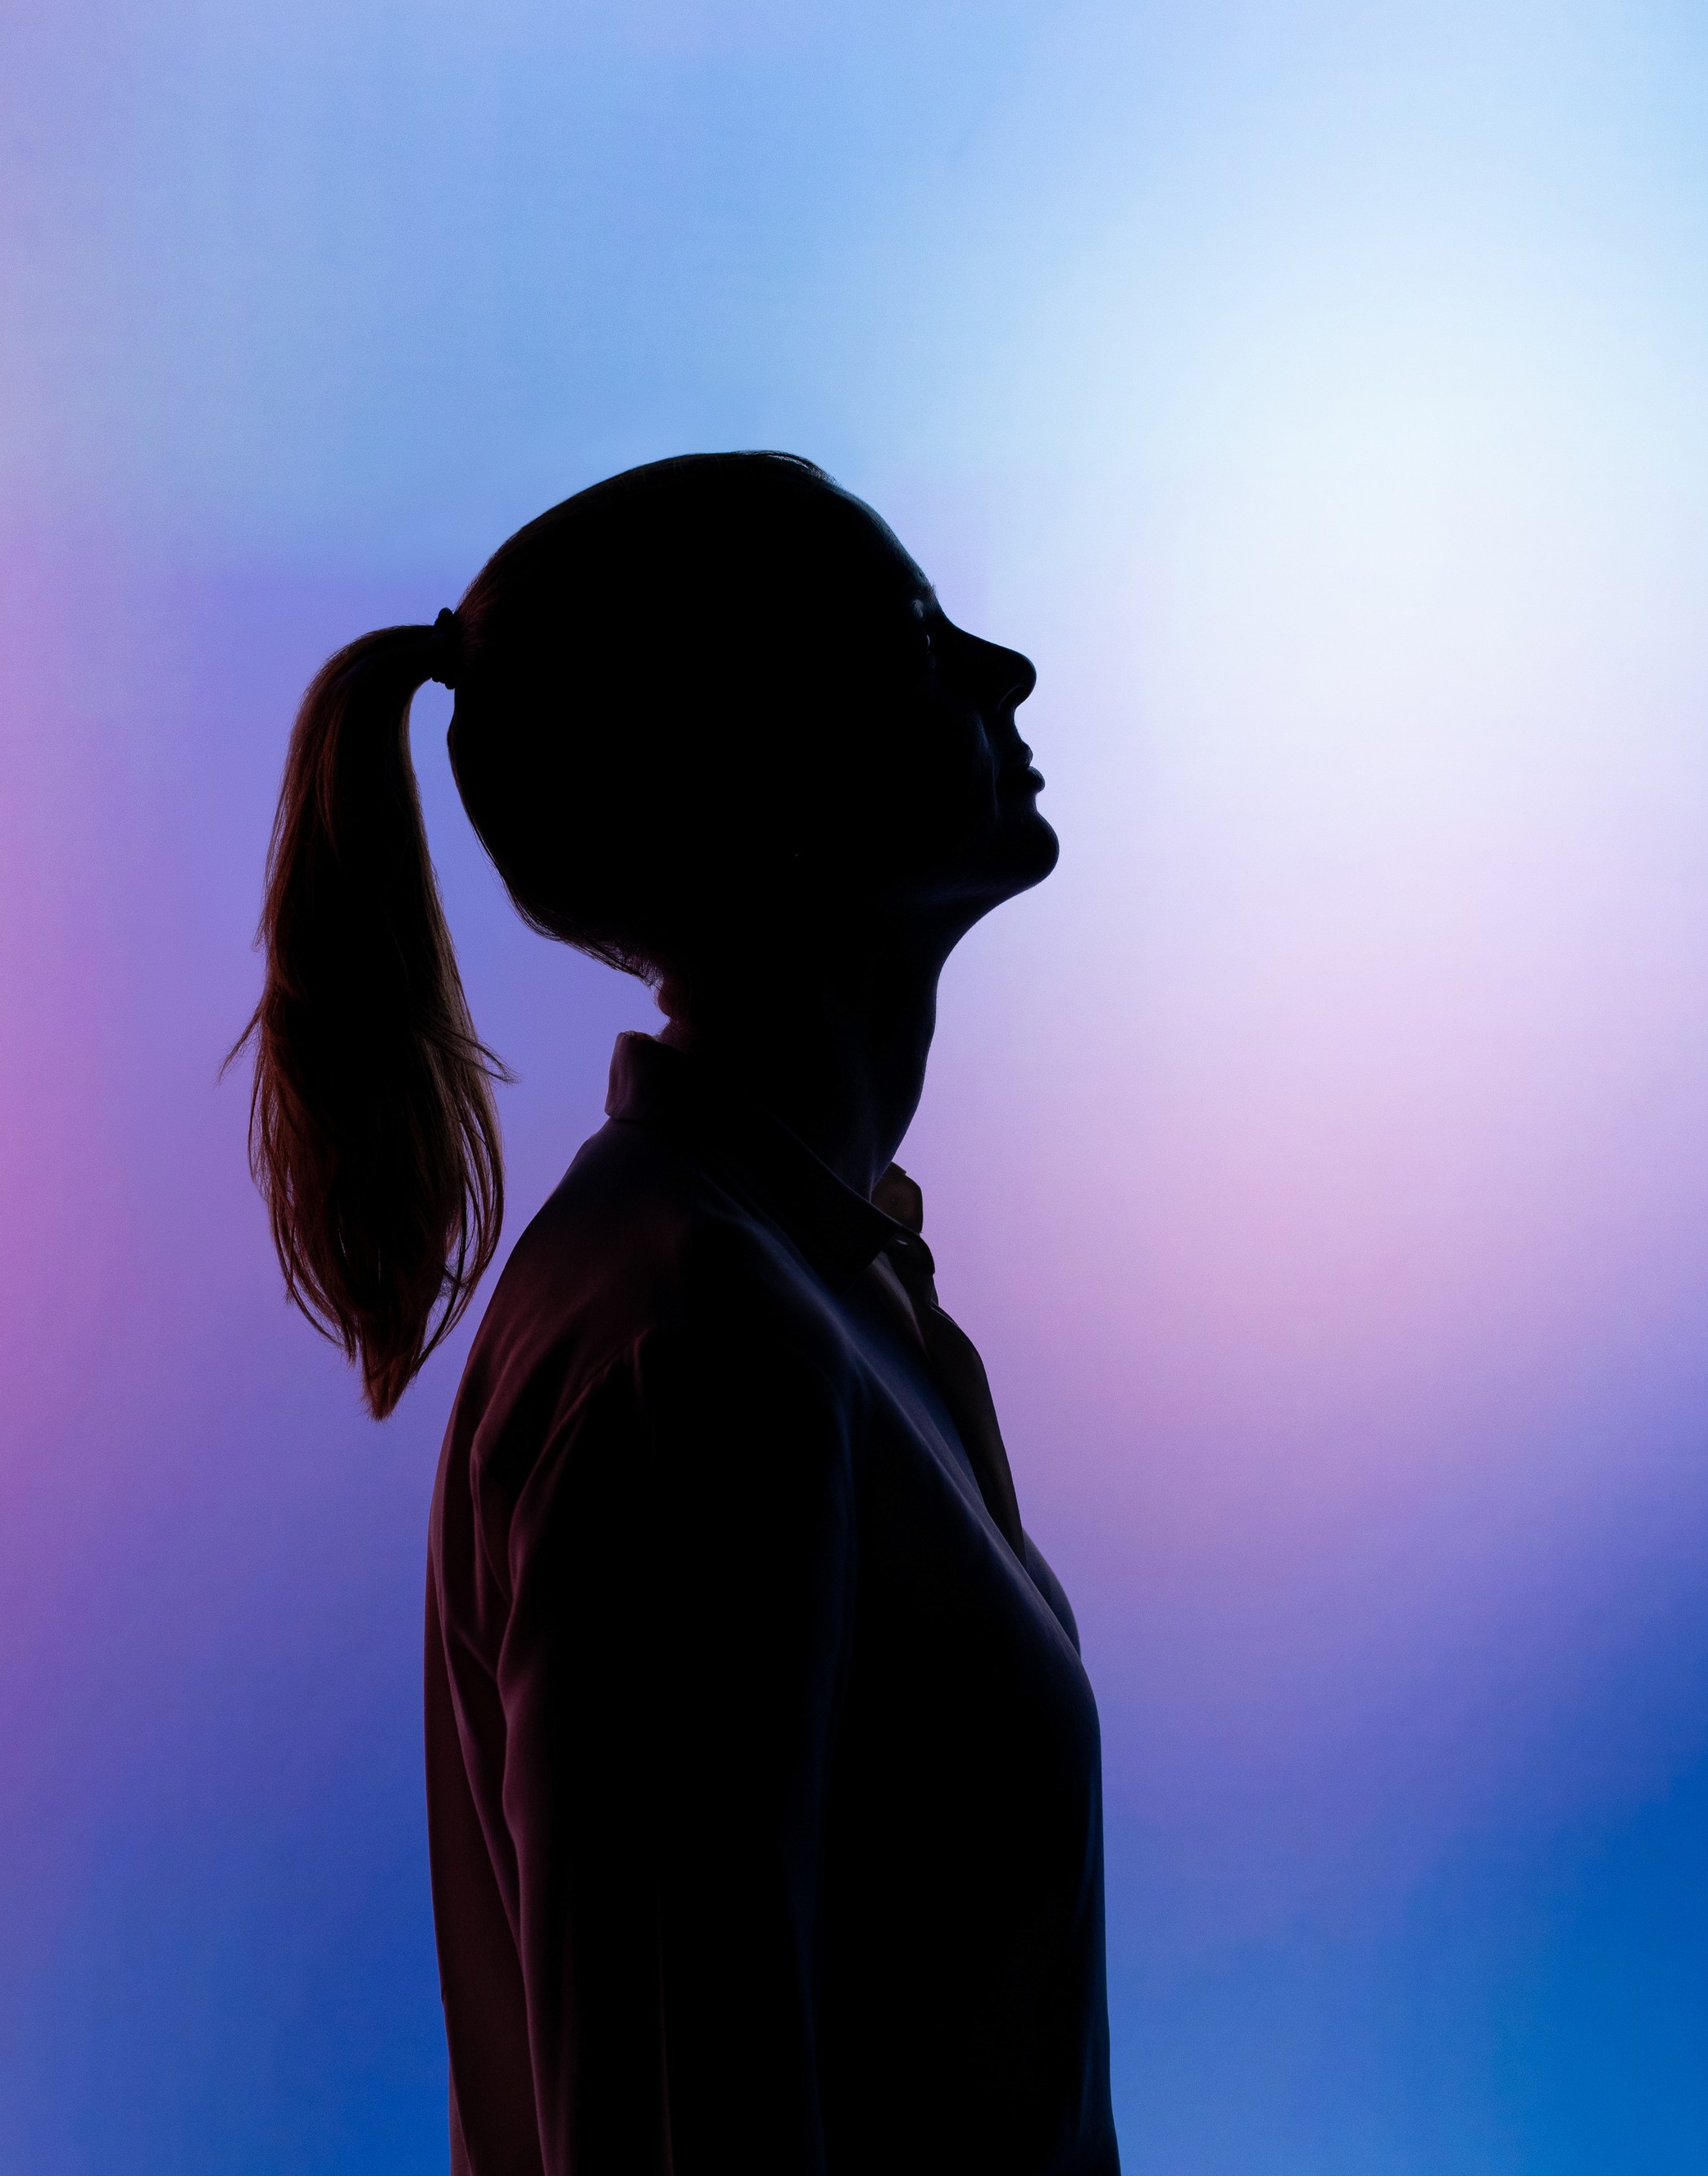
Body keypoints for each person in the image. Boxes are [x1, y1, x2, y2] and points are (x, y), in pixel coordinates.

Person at [243, 452, 1113, 2174]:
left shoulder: (816, 1296)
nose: (1000, 674)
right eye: (914, 639)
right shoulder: (695, 1342)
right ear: (771, 784)